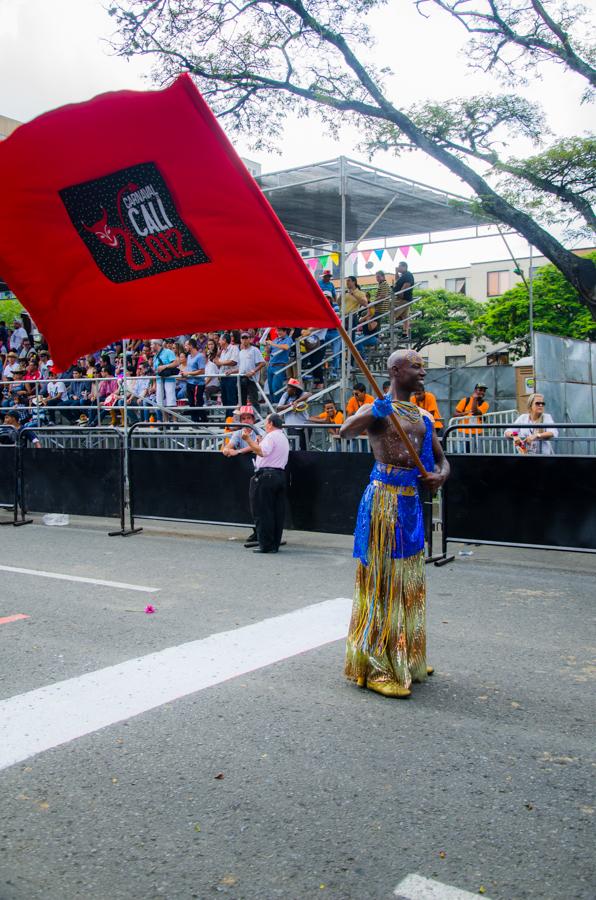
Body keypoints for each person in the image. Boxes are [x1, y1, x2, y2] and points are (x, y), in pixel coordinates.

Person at [340, 349, 449, 698]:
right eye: (415, 367)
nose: (422, 372)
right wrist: (375, 410)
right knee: (383, 582)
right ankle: (375, 665)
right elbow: (344, 431)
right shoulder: (377, 409)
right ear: (395, 370)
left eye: (422, 367)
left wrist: (439, 477)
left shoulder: (422, 416)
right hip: (383, 502)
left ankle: (406, 653)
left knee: (409, 582)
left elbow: (443, 460)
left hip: (410, 504)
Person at [241, 413, 290, 553]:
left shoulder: (271, 436)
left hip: (266, 476)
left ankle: (266, 545)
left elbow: (263, 452)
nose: (264, 425)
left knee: (263, 511)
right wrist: (258, 442)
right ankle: (274, 543)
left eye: (266, 422)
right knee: (276, 512)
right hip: (279, 474)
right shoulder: (282, 436)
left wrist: (248, 440)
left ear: (270, 423)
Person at [222, 405, 266, 548]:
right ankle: (256, 530)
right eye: (243, 418)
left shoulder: (259, 431)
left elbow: (257, 446)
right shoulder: (238, 432)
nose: (246, 421)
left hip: (260, 471)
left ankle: (262, 532)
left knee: (260, 502)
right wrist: (227, 450)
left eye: (248, 418)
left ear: (253, 419)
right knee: (248, 502)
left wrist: (238, 452)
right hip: (243, 473)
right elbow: (229, 447)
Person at [276, 378, 311, 451]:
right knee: (296, 447)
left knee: (305, 446)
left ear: (294, 390)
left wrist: (297, 401)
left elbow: (309, 394)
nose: (287, 389)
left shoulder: (301, 394)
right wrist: (290, 405)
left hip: (304, 423)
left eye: (289, 387)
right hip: (292, 425)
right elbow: (278, 408)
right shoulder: (285, 395)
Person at [454, 382, 489, 450]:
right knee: (462, 453)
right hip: (463, 432)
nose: (482, 392)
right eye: (480, 390)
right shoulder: (465, 400)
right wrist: (464, 413)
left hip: (477, 433)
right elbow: (455, 414)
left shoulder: (485, 404)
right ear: (475, 390)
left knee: (476, 454)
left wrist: (475, 399)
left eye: (484, 391)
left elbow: (475, 412)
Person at [181, 338, 207, 422]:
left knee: (198, 403)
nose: (185, 347)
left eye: (186, 345)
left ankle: (203, 420)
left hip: (198, 384)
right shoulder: (188, 356)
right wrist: (185, 373)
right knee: (191, 403)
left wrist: (188, 373)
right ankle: (194, 421)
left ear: (191, 346)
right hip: (190, 382)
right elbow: (190, 369)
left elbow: (202, 371)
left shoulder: (200, 356)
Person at [265, 328, 294, 404]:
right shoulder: (275, 339)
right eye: (278, 331)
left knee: (276, 387)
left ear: (285, 331)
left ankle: (278, 405)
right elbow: (269, 351)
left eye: (280, 331)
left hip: (279, 366)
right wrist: (266, 346)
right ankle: (273, 405)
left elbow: (286, 347)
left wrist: (272, 344)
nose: (278, 332)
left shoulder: (288, 339)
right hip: (271, 365)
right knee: (271, 388)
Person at [151, 338, 179, 410]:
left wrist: (164, 366)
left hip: (169, 379)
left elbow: (176, 363)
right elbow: (156, 369)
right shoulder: (155, 356)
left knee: (171, 401)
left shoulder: (168, 352)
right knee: (161, 403)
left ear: (156, 344)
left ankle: (175, 421)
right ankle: (165, 420)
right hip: (159, 380)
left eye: (151, 344)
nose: (150, 346)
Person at [393, 261, 415, 337]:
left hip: (404, 299)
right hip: (404, 299)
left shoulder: (408, 275)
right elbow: (397, 281)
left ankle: (394, 326)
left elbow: (406, 285)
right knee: (405, 316)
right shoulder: (403, 275)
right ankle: (405, 333)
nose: (398, 268)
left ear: (404, 267)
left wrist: (400, 294)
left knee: (393, 313)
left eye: (399, 266)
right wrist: (396, 272)